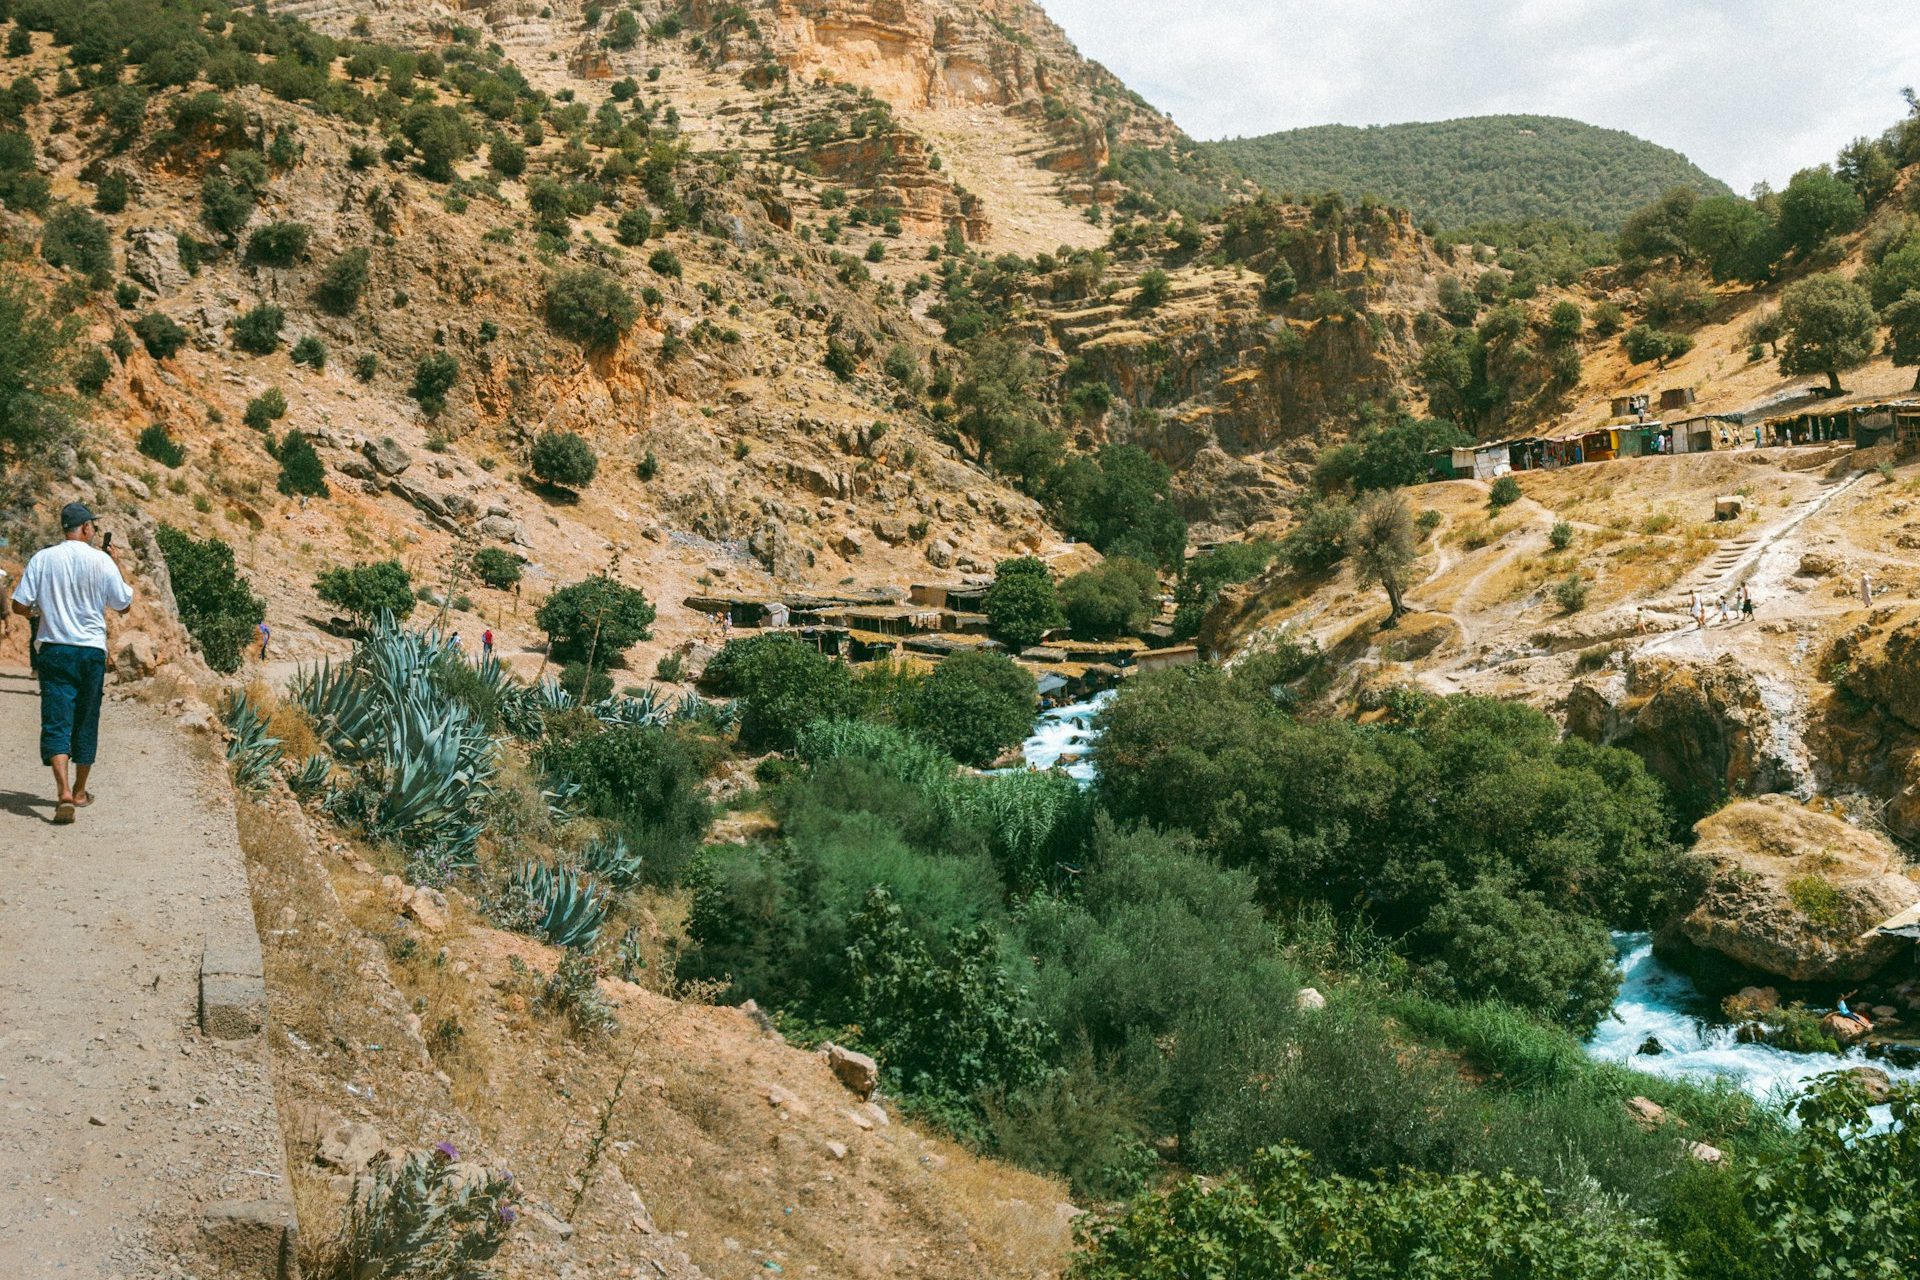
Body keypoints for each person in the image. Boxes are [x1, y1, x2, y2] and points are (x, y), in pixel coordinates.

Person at [8, 503, 134, 825]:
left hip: (54, 649)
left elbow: (19, 604)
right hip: (90, 651)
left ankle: (62, 790)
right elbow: (123, 604)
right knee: (86, 719)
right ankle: (79, 791)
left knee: (56, 718)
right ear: (87, 529)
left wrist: (38, 612)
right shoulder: (101, 560)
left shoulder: (43, 558)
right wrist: (115, 566)